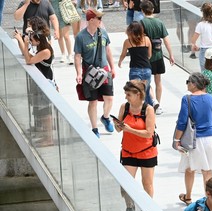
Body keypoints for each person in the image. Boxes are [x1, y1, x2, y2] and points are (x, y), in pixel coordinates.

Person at [173, 72, 212, 205]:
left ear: (194, 84)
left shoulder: (187, 99)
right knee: (207, 171)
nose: (187, 84)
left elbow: (182, 121)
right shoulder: (211, 98)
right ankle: (210, 199)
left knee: (190, 168)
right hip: (210, 137)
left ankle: (188, 196)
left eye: (188, 81)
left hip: (194, 139)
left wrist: (176, 140)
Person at [112, 80, 157, 211]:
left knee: (147, 184)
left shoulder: (148, 110)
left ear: (138, 95)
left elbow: (148, 133)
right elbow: (119, 130)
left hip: (146, 152)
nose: (126, 97)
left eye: (129, 94)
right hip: (128, 151)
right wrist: (117, 125)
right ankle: (130, 207)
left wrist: (128, 129)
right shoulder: (124, 107)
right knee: (125, 184)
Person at [74, 9, 115, 138]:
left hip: (104, 70)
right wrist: (79, 73)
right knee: (93, 101)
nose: (100, 21)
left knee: (109, 98)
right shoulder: (81, 37)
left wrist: (112, 67)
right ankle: (95, 128)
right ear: (91, 20)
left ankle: (105, 117)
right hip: (90, 72)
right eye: (99, 18)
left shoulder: (103, 33)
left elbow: (108, 51)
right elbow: (77, 57)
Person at [14, 25, 56, 147]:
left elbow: (29, 60)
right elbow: (28, 55)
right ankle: (45, 135)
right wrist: (22, 40)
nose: (31, 42)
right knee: (41, 111)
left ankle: (49, 139)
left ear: (38, 41)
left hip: (45, 83)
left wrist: (25, 43)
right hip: (41, 84)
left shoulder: (45, 51)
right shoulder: (42, 48)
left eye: (32, 40)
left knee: (45, 112)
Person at [140, 0, 174, 114]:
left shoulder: (141, 23)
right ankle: (158, 104)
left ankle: (152, 103)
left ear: (142, 10)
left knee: (146, 81)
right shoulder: (159, 22)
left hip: (146, 56)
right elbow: (166, 39)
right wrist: (171, 54)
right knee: (158, 81)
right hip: (159, 55)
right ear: (153, 10)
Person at [118, 21, 152, 106]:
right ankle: (150, 111)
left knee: (134, 91)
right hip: (147, 68)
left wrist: (120, 61)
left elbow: (123, 54)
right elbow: (149, 55)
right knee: (146, 91)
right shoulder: (146, 40)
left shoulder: (128, 42)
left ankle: (135, 109)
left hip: (135, 69)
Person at [190, 2, 212, 72]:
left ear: (203, 12)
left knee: (205, 73)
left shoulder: (201, 25)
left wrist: (194, 45)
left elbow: (193, 40)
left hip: (205, 51)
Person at [50, 0, 77, 64]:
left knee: (66, 36)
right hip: (55, 15)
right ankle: (63, 54)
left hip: (65, 14)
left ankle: (70, 55)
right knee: (59, 36)